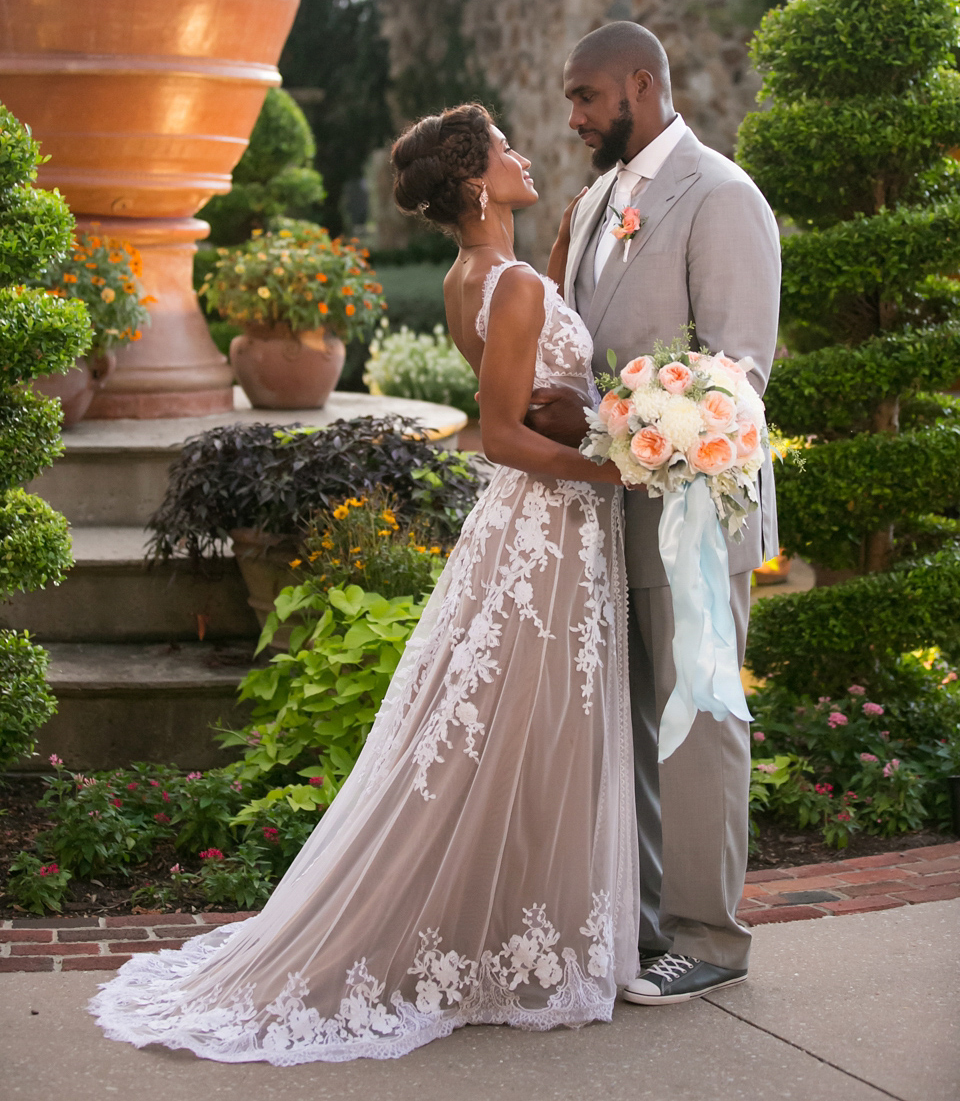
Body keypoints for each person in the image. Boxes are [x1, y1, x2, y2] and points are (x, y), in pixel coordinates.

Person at [89, 103, 641, 1065]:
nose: (521, 156)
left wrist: (558, 274)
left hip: (533, 528)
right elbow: (503, 433)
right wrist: (620, 467)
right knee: (524, 723)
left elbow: (540, 374)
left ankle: (502, 929)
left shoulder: (485, 276)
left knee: (518, 726)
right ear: (475, 180)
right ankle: (497, 941)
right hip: (547, 526)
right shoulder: (503, 284)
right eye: (504, 148)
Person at [531, 22, 781, 1004]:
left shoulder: (721, 197)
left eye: (587, 95)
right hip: (612, 504)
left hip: (698, 509)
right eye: (571, 99)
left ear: (644, 82)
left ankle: (709, 937)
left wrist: (620, 422)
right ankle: (640, 926)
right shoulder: (598, 200)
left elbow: (736, 375)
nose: (576, 115)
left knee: (699, 716)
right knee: (630, 722)